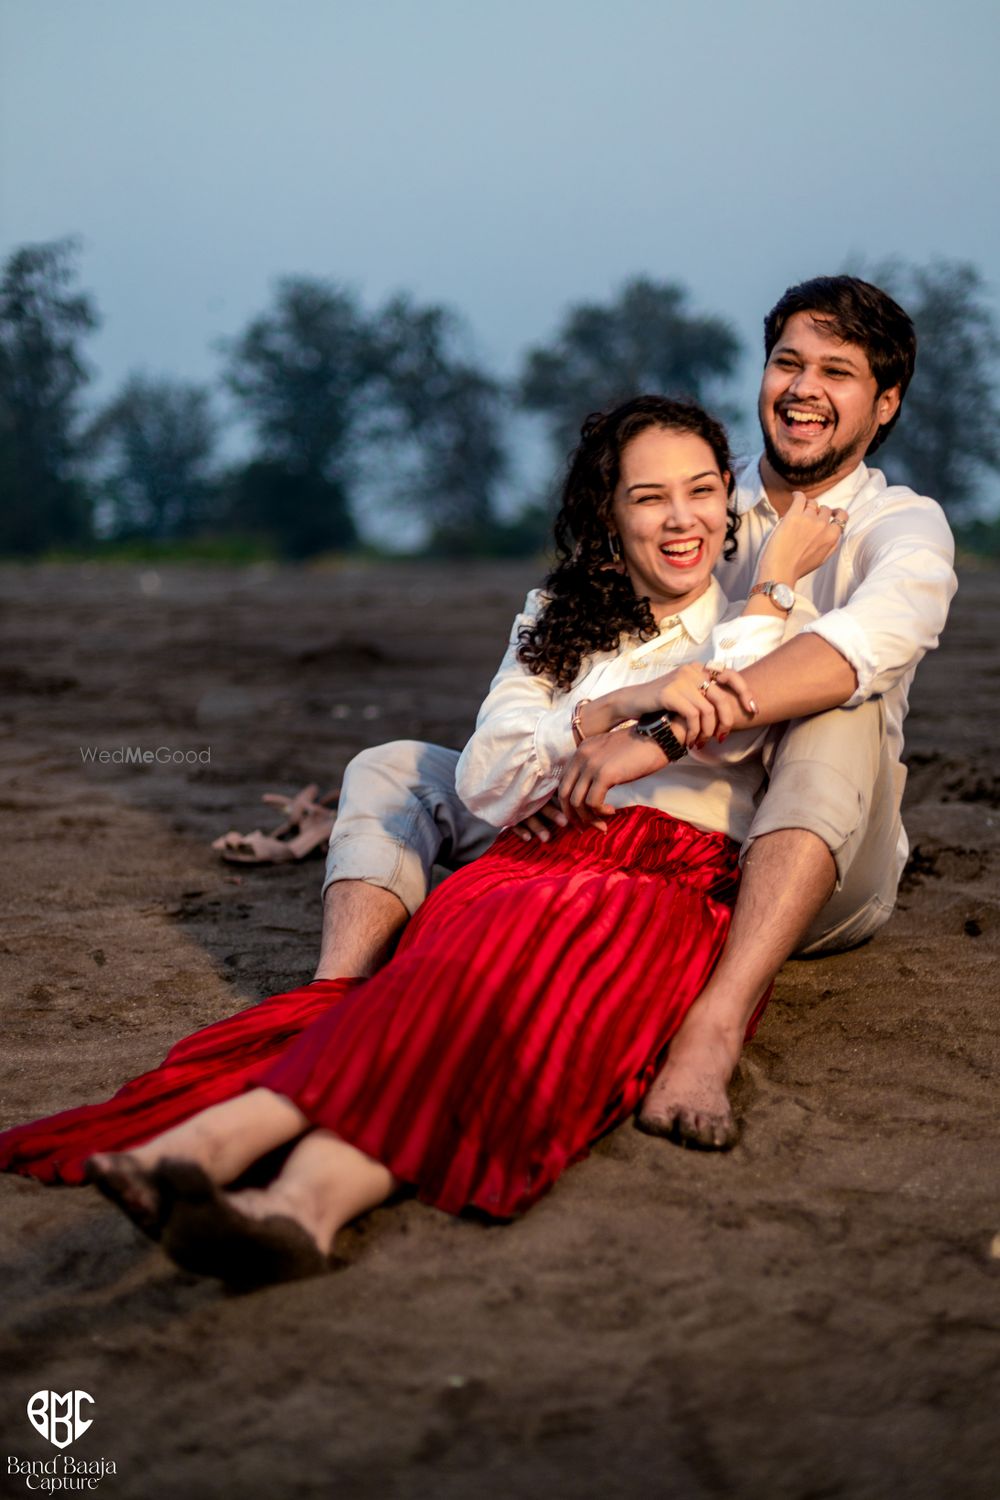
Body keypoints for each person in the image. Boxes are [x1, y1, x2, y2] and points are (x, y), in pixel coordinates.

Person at [0, 397, 841, 1286]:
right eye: (649, 497)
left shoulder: (764, 613)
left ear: (728, 500)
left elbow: (733, 721)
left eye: (704, 491)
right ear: (610, 514)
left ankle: (219, 1151)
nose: (683, 520)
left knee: (506, 1016)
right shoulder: (557, 618)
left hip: (662, 880)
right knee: (454, 987)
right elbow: (487, 781)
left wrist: (776, 588)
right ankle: (302, 1211)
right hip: (533, 859)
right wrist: (613, 703)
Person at [310, 275, 957, 1148]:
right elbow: (575, 648)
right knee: (392, 768)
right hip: (632, 830)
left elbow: (854, 649)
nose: (804, 389)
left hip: (801, 856)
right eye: (787, 363)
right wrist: (604, 724)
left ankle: (717, 1025)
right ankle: (326, 1000)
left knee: (833, 713)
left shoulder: (901, 530)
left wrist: (648, 738)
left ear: (885, 405)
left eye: (837, 372)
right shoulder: (689, 495)